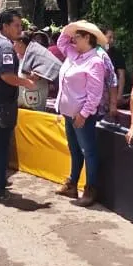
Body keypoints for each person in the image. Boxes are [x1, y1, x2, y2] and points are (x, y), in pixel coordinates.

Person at [0, 9, 36, 202]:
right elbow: (7, 76)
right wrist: (26, 83)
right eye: (17, 25)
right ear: (5, 26)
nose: (20, 29)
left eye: (21, 25)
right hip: (1, 101)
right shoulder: (5, 47)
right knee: (2, 145)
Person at [53, 21, 108, 207]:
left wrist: (83, 114)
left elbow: (95, 95)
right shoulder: (75, 55)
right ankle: (72, 183)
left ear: (87, 38)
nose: (72, 39)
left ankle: (90, 189)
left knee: (88, 151)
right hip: (70, 113)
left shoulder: (95, 62)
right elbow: (62, 41)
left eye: (77, 36)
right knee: (75, 150)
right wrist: (71, 27)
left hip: (81, 115)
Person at [102, 27, 127, 95]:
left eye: (113, 38)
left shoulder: (117, 54)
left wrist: (119, 94)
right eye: (110, 37)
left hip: (113, 91)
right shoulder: (95, 52)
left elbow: (121, 75)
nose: (112, 40)